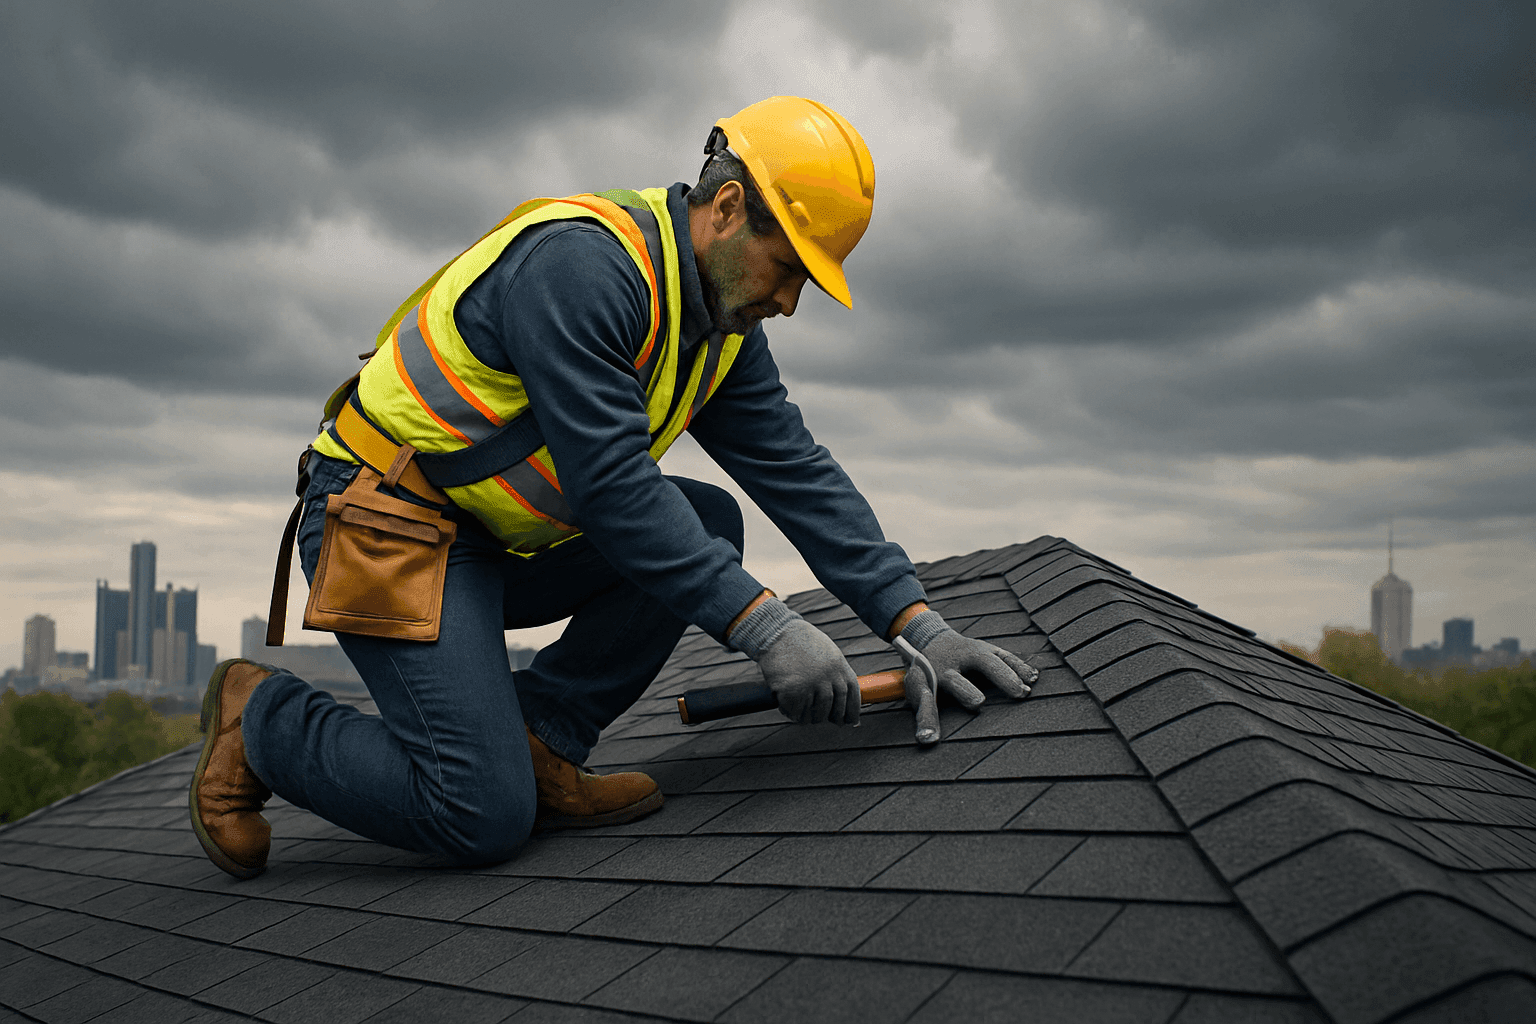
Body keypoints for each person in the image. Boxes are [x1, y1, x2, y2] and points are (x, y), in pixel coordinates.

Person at [190, 97, 1038, 881]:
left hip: (488, 542)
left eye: (806, 284)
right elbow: (613, 489)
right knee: (478, 814)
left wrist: (917, 620)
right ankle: (261, 721)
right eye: (786, 267)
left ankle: (540, 740)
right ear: (729, 206)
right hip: (385, 526)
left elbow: (797, 471)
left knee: (709, 517)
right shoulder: (583, 267)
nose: (787, 301)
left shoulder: (720, 327)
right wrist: (770, 627)